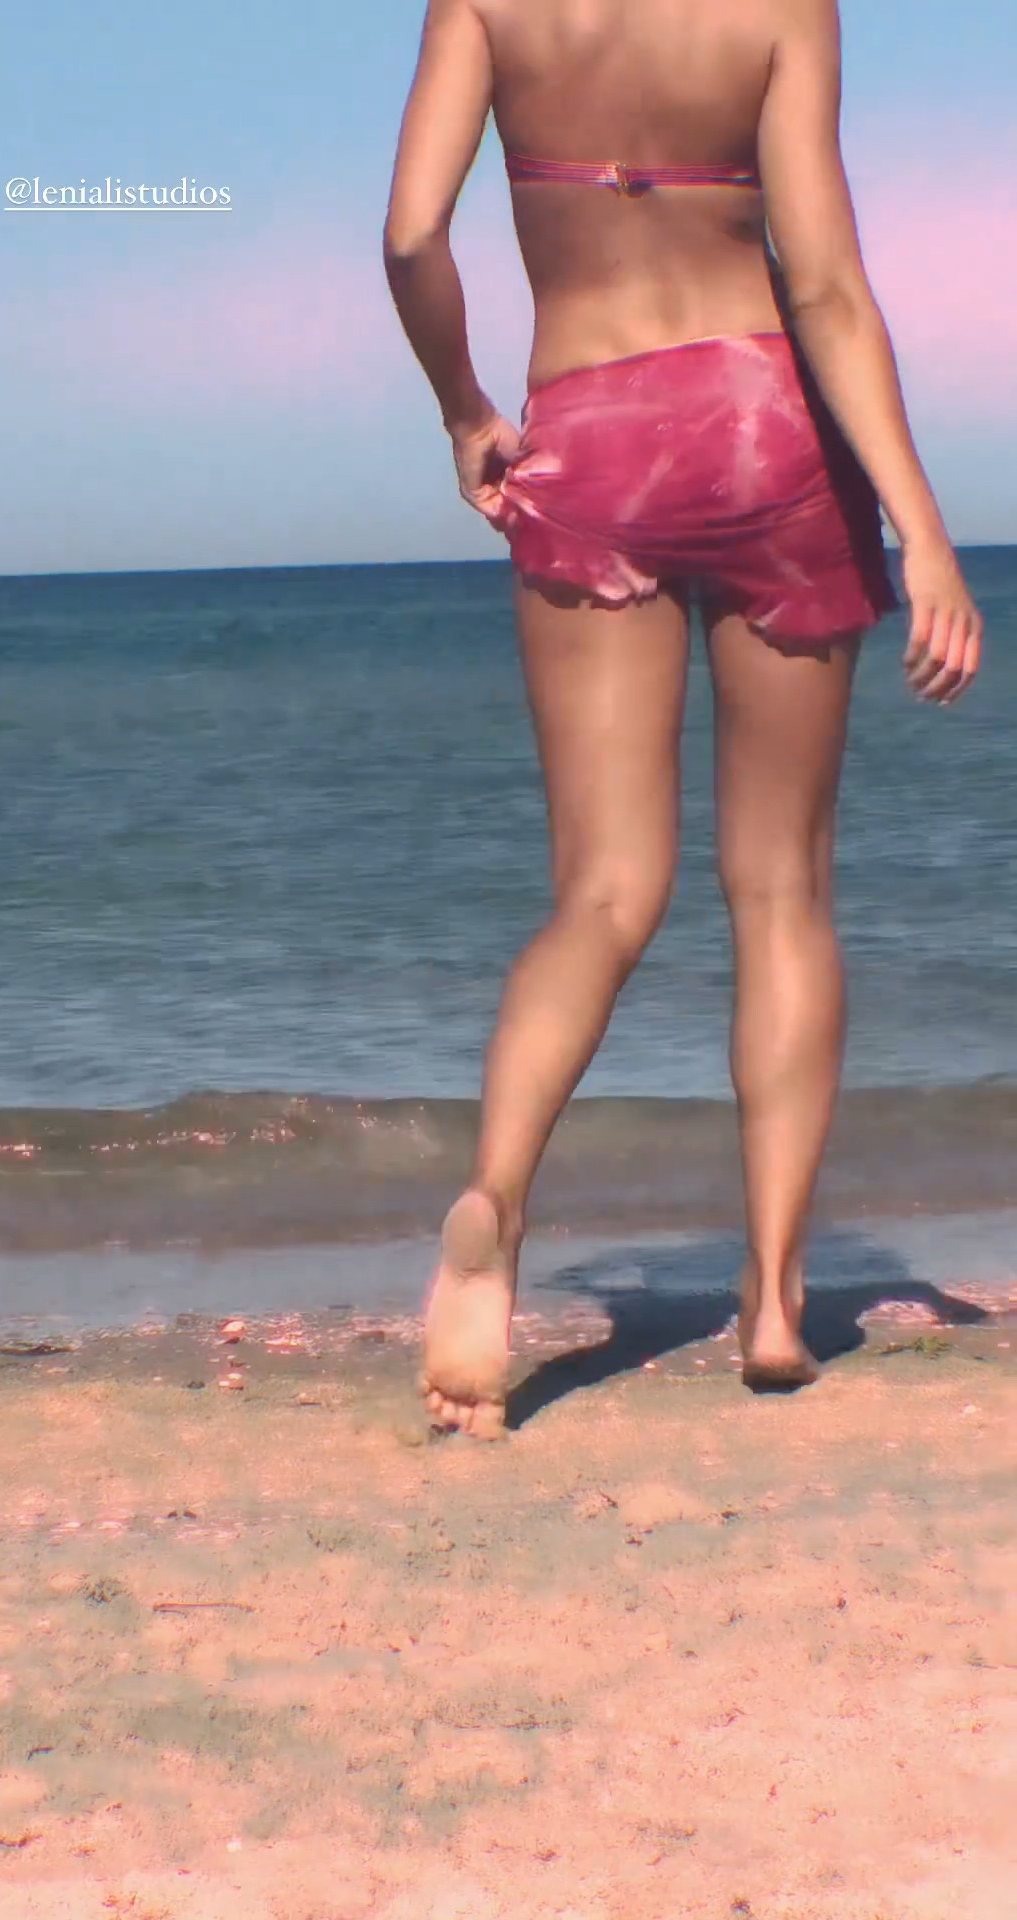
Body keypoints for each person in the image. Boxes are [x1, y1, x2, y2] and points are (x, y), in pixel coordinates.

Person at [383, 0, 983, 1437]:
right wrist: (922, 528)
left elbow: (410, 236)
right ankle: (772, 1301)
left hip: (587, 437)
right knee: (781, 891)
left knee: (602, 895)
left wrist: (464, 407)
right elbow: (825, 286)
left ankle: (497, 1198)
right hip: (766, 425)